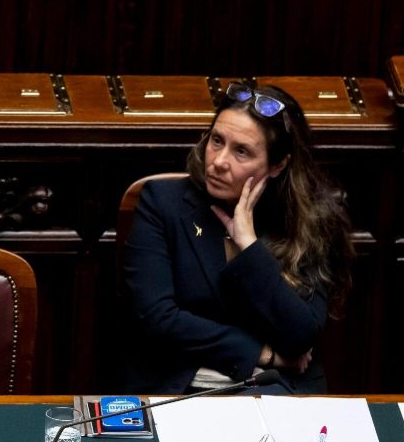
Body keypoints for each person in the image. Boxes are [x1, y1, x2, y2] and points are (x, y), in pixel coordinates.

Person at [123, 83, 354, 394]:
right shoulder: (164, 203)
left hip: (279, 391)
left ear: (278, 165)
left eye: (241, 151)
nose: (219, 161)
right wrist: (263, 353)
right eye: (217, 140)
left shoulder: (309, 222)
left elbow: (300, 336)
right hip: (183, 387)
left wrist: (249, 248)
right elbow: (158, 319)